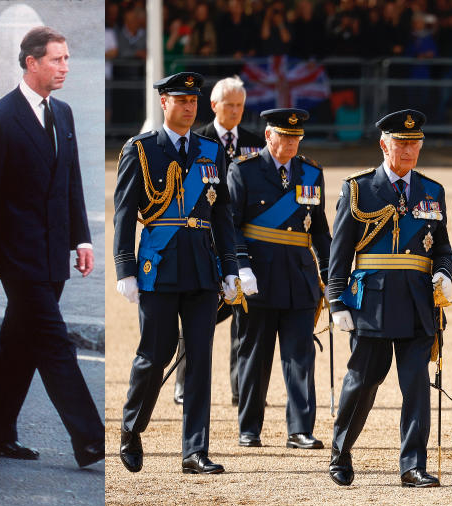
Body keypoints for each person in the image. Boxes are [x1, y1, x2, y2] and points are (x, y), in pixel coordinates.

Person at [0, 26, 105, 468]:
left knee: (19, 346)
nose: (65, 67)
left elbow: (70, 180)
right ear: (31, 62)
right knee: (54, 341)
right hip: (17, 257)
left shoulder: (62, 113)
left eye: (67, 59)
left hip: (53, 254)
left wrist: (81, 238)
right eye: (57, 59)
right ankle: (92, 439)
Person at [115, 71, 241, 475]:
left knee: (200, 359)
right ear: (163, 103)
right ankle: (132, 428)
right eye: (180, 100)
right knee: (154, 355)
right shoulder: (141, 149)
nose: (188, 107)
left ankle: (194, 451)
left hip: (203, 268)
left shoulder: (211, 151)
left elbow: (222, 214)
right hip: (159, 265)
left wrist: (231, 268)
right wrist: (124, 268)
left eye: (193, 101)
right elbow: (123, 213)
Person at [325, 110, 452, 488]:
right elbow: (340, 251)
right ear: (385, 144)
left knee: (416, 386)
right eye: (402, 142)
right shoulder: (359, 189)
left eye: (416, 143)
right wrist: (336, 301)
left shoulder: (432, 190)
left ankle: (412, 465)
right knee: (362, 382)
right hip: (372, 303)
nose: (410, 149)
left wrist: (443, 271)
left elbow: (442, 246)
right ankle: (340, 451)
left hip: (417, 302)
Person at [226, 108, 330, 449]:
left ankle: (300, 428)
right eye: (284, 136)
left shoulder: (311, 173)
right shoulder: (245, 171)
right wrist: (241, 267)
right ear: (268, 136)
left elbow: (320, 232)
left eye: (296, 137)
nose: (290, 142)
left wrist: (331, 277)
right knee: (254, 356)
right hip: (258, 276)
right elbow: (230, 227)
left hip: (300, 278)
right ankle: (249, 427)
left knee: (301, 356)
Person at [174, 75, 266, 407]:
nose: (236, 111)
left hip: (245, 246)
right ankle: (184, 383)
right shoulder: (197, 140)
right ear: (214, 105)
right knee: (199, 319)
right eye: (230, 105)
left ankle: (241, 390)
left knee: (245, 319)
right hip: (205, 242)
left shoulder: (257, 143)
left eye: (241, 105)